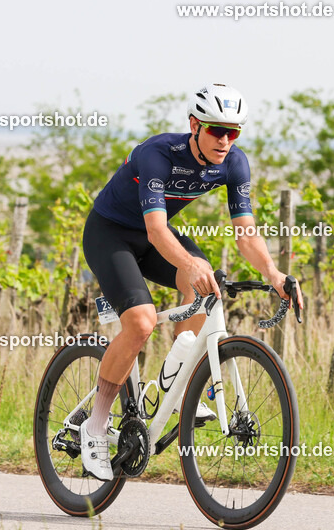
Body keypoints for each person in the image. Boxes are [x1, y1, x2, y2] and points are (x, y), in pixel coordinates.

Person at [79, 83, 303, 480]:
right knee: (141, 322)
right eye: (217, 130)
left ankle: (177, 381)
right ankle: (94, 425)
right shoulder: (158, 154)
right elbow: (156, 229)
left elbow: (246, 234)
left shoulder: (234, 163)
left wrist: (275, 275)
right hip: (111, 234)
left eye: (234, 132)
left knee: (207, 283)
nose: (225, 140)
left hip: (154, 236)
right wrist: (189, 264)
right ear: (195, 125)